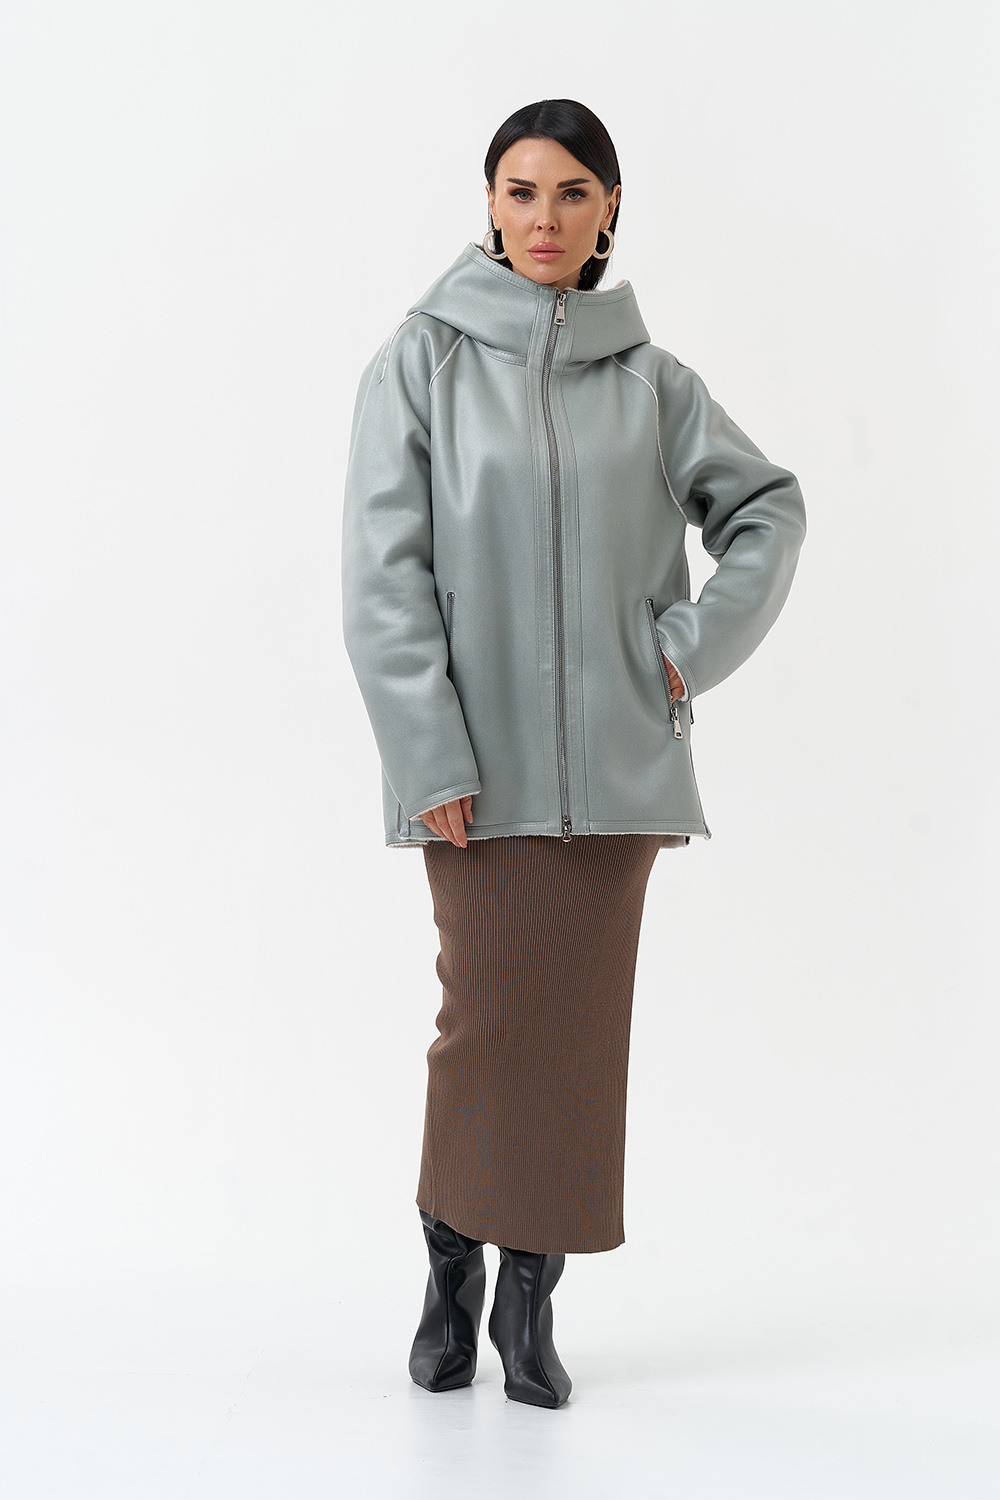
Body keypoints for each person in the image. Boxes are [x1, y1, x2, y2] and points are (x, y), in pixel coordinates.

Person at [341, 99, 806, 1409]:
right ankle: (451, 1271)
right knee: (484, 1024)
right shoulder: (421, 362)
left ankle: (529, 1301)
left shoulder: (654, 385)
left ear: (608, 213)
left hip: (616, 775)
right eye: (521, 190)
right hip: (473, 781)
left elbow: (768, 510)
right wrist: (429, 756)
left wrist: (685, 651)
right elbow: (381, 580)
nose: (544, 217)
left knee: (576, 1041)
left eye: (572, 193)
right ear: (490, 206)